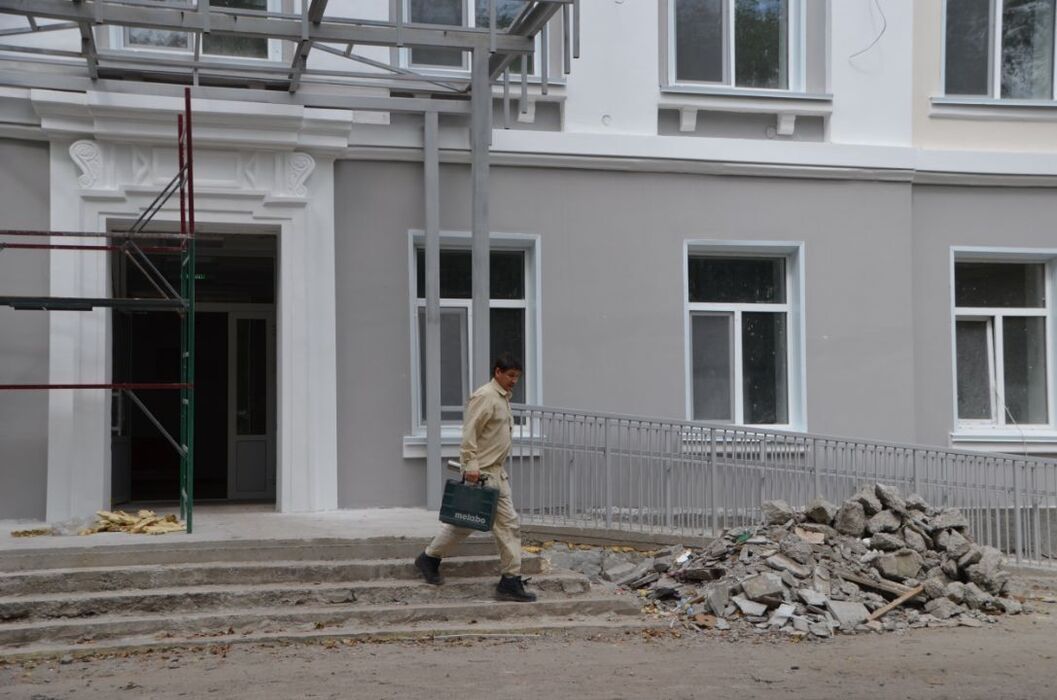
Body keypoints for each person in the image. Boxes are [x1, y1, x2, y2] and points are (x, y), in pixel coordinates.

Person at [414, 353, 536, 603]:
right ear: (498, 372)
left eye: (517, 377)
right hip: (483, 474)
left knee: (472, 523)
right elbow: (470, 432)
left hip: (496, 473)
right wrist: (470, 464)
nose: (514, 380)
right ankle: (509, 581)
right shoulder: (485, 396)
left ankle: (430, 558)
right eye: (510, 375)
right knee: (499, 525)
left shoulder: (502, 397)